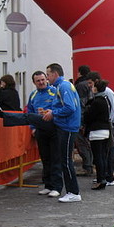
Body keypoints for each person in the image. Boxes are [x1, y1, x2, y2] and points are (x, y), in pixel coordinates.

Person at [0, 71, 63, 197]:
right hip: (40, 130)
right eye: (38, 81)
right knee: (45, 158)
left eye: (42, 79)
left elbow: (60, 107)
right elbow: (29, 110)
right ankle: (48, 185)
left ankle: (57, 187)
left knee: (55, 159)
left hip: (53, 128)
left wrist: (51, 112)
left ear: (46, 79)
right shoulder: (33, 95)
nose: (41, 82)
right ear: (34, 83)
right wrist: (33, 128)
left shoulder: (54, 91)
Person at [40, 63, 82, 203]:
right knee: (64, 160)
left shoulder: (63, 86)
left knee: (66, 160)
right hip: (66, 126)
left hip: (67, 127)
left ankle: (73, 192)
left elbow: (70, 107)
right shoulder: (62, 86)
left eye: (48, 74)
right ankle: (71, 191)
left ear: (55, 74)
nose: (47, 77)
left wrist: (53, 113)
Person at [87, 71, 114, 186]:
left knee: (108, 152)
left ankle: (108, 176)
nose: (90, 86)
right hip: (108, 124)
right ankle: (103, 175)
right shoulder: (100, 95)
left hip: (110, 124)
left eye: (91, 83)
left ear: (96, 82)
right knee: (103, 153)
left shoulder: (105, 94)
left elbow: (109, 111)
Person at [84, 79, 112, 190]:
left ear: (96, 88)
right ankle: (103, 177)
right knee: (103, 156)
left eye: (92, 86)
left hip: (96, 131)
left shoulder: (96, 102)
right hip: (106, 130)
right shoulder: (106, 100)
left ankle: (100, 179)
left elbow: (89, 116)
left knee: (98, 157)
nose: (91, 88)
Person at [73, 65, 94, 177]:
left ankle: (87, 166)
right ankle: (90, 165)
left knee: (81, 142)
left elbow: (80, 104)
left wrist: (80, 121)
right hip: (89, 118)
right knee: (87, 142)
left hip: (81, 119)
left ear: (80, 73)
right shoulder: (90, 84)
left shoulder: (80, 85)